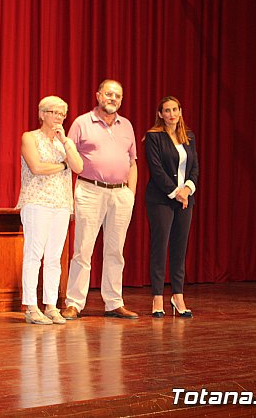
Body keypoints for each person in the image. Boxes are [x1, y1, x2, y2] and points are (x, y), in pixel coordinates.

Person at [61, 80, 139, 320]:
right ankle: (74, 303)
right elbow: (67, 159)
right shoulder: (82, 123)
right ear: (98, 95)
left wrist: (130, 194)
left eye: (117, 95)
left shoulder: (126, 125)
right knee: (83, 249)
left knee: (116, 251)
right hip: (90, 190)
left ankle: (114, 302)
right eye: (108, 94)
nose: (113, 98)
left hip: (120, 194)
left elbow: (133, 162)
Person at [16, 96, 83, 325]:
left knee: (55, 257)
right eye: (54, 112)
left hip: (61, 203)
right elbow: (36, 167)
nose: (58, 117)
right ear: (42, 114)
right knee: (34, 254)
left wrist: (65, 143)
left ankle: (52, 305)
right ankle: (31, 307)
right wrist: (62, 165)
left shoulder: (64, 143)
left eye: (62, 114)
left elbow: (79, 167)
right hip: (37, 201)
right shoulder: (30, 137)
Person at [144, 96, 198, 318]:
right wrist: (176, 193)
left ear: (180, 111)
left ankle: (178, 296)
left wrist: (187, 190)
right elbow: (156, 170)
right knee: (160, 246)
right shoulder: (153, 136)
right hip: (161, 199)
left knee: (179, 248)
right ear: (160, 114)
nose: (171, 114)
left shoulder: (189, 136)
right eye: (166, 110)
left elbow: (195, 168)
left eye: (175, 109)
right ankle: (157, 298)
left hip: (185, 199)